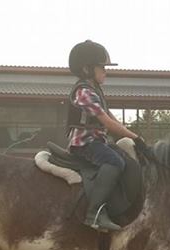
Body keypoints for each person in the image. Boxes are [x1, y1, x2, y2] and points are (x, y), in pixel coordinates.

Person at [67, 40, 152, 232]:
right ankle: (94, 213)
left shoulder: (96, 90)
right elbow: (107, 122)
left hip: (98, 141)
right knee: (115, 162)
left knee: (128, 160)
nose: (106, 71)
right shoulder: (84, 92)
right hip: (85, 143)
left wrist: (130, 135)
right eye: (102, 67)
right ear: (87, 69)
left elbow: (112, 118)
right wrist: (136, 138)